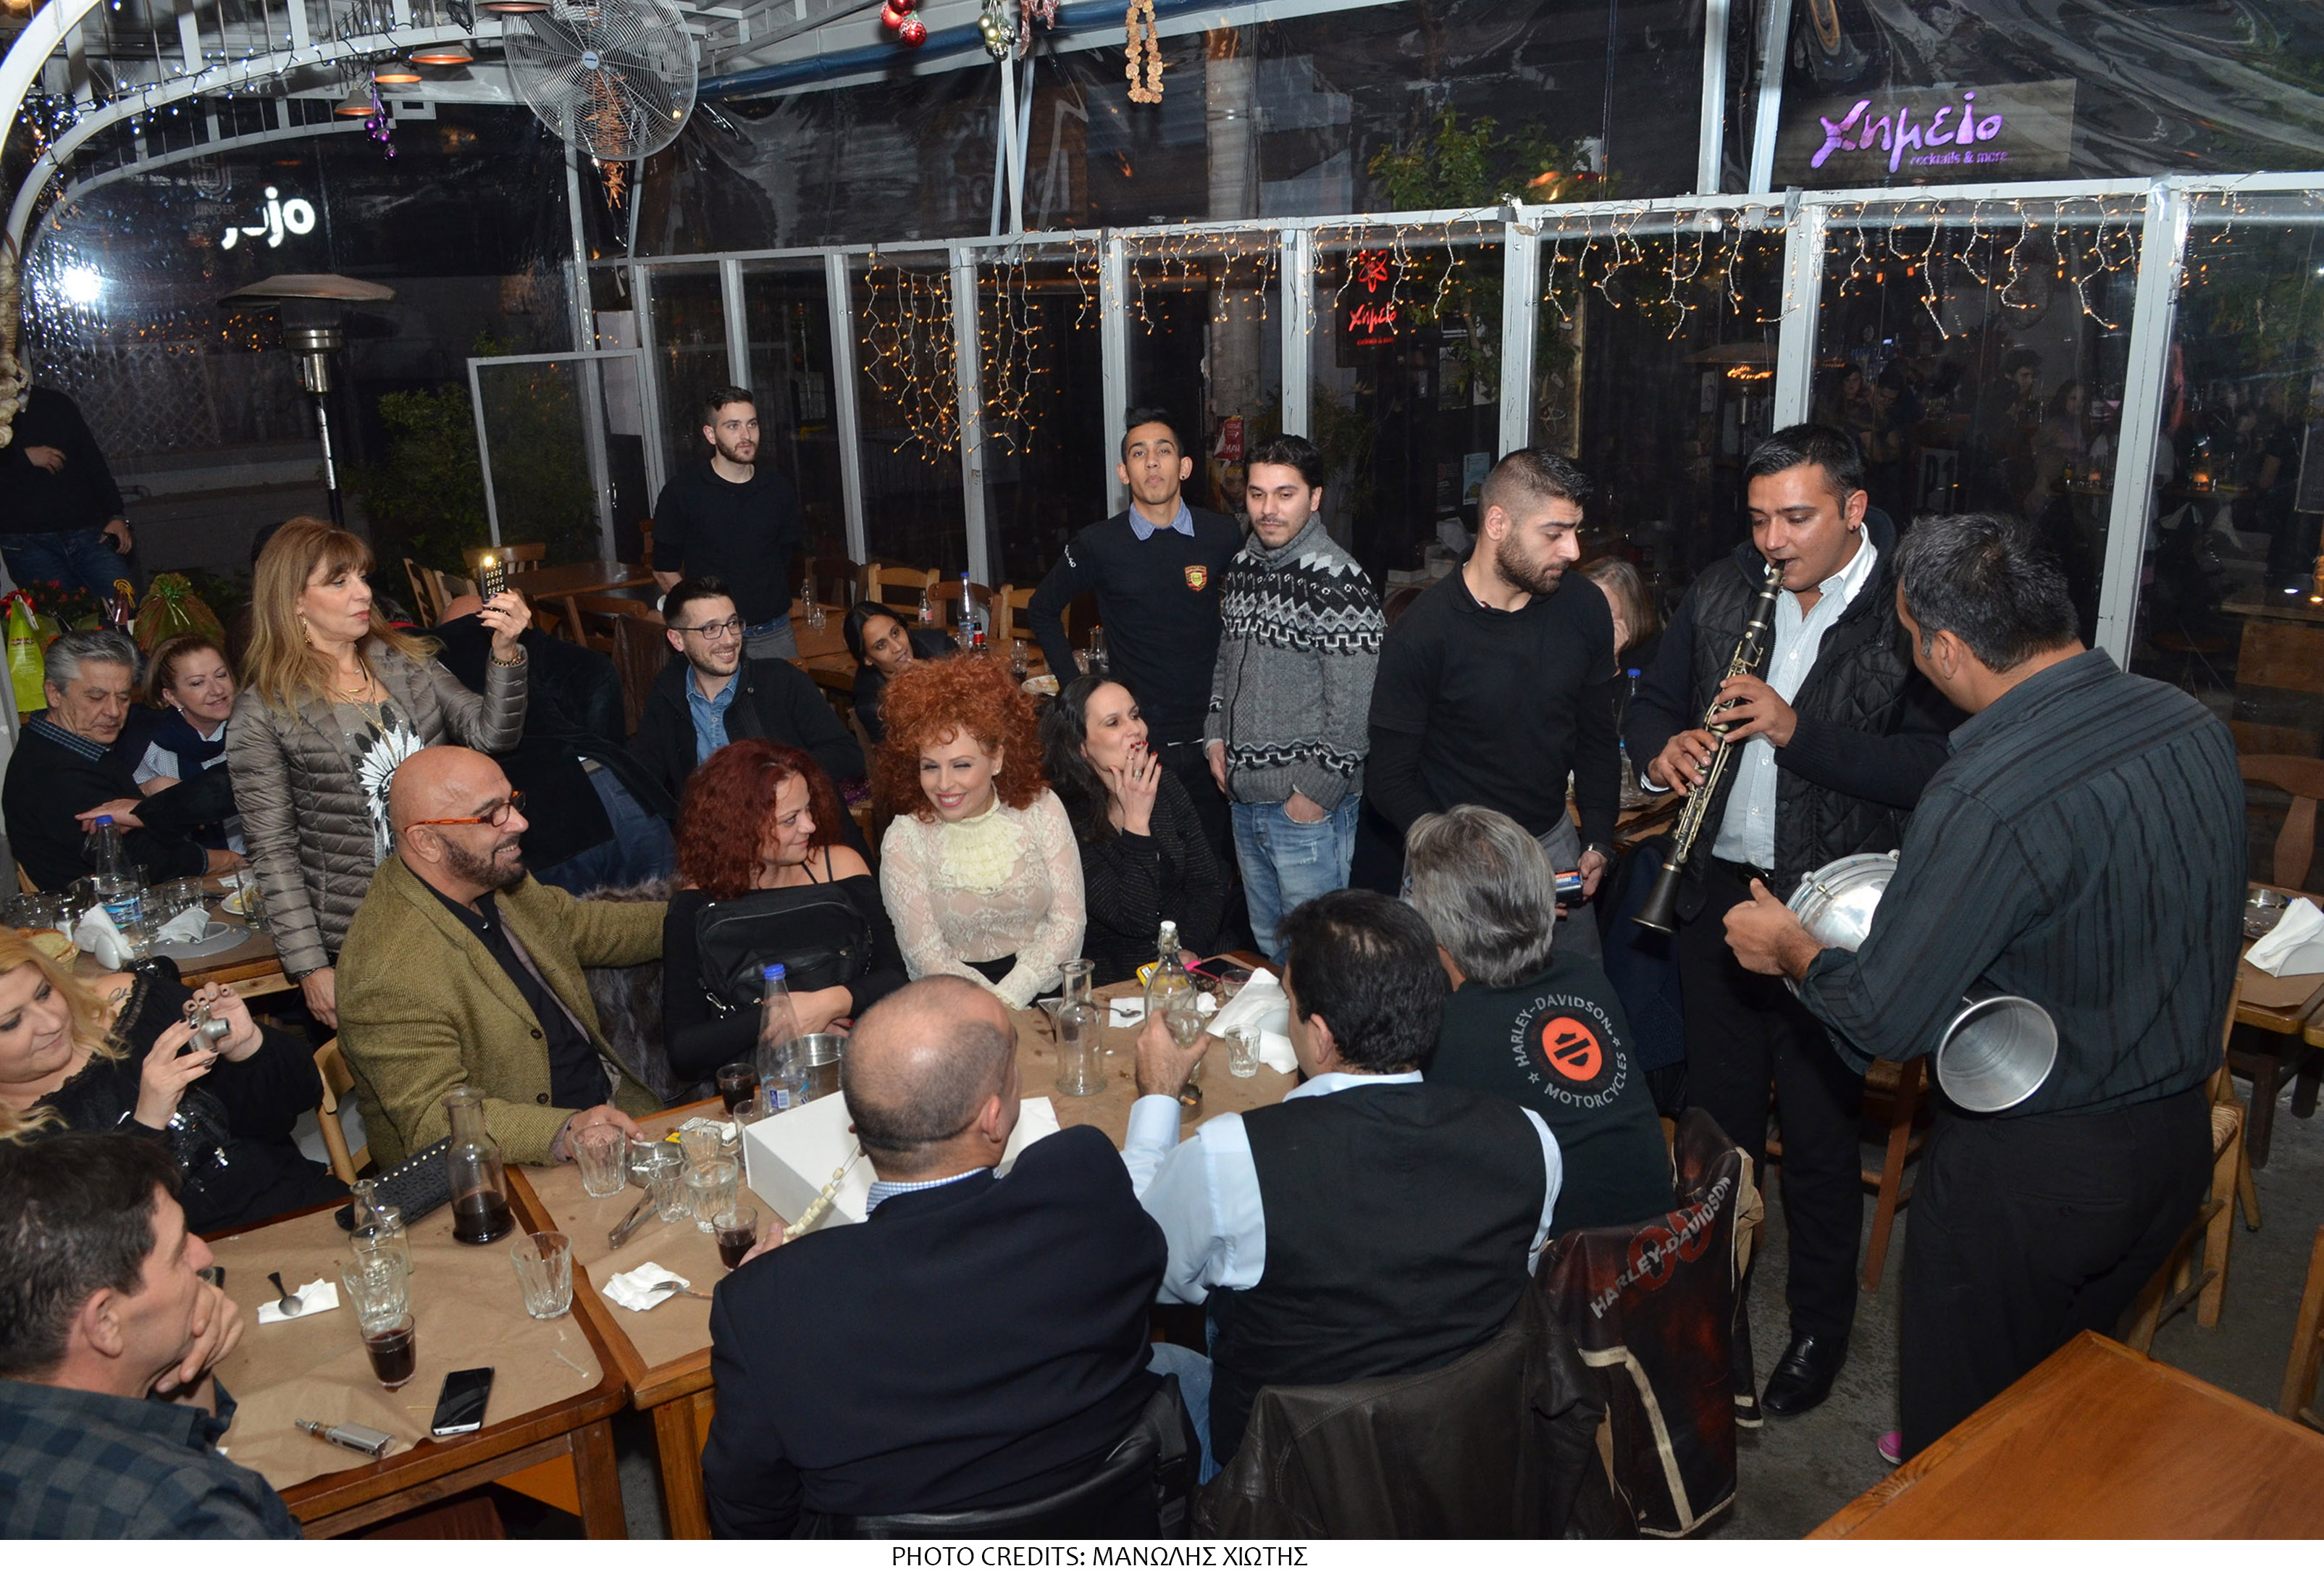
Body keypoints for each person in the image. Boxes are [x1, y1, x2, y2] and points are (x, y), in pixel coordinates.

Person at [1723, 512, 2241, 1462]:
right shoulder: (2187, 721)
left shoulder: (1986, 790)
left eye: (1911, 639)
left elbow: (1886, 1015)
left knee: (1962, 1447)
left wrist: (1792, 949)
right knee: (2059, 1412)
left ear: (1949, 650)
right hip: (2175, 1144)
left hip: (2035, 1175)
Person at [1626, 424, 1957, 1424]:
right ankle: (1710, 1314)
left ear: (1853, 509)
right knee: (1715, 1132)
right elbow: (1649, 702)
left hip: (1831, 910)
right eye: (1759, 518)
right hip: (1718, 897)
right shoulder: (1723, 587)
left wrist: (1793, 729)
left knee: (1816, 1137)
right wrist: (1663, 748)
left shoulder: (1910, 610)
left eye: (1796, 518)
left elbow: (1930, 768)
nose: (1772, 540)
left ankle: (1819, 1328)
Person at [700, 978, 1170, 1535]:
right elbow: (1149, 1266)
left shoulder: (766, 1305)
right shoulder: (1085, 1180)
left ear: (855, 1128)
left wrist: (765, 1293)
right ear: (993, 1118)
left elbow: (749, 1513)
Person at [1125, 889, 1562, 1468]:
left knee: (1142, 1369)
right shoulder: (1530, 1138)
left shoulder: (1232, 1156)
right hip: (1458, 1456)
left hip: (1282, 1480)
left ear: (1322, 1035)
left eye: (1289, 1001)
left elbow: (1139, 1267)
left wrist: (1157, 1097)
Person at [225, 519, 529, 1029]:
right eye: (338, 582)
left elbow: (490, 737)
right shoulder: (264, 711)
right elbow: (272, 849)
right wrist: (309, 967)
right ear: (294, 601)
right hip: (362, 927)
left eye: (362, 577)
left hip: (455, 900)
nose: (363, 592)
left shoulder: (406, 662)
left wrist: (505, 655)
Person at [334, 746, 660, 1167]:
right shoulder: (387, 971)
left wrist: (703, 914)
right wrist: (565, 1132)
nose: (520, 823)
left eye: (513, 802)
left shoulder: (489, 878)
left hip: (607, 1112)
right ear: (427, 842)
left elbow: (587, 928)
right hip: (504, 1169)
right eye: (491, 815)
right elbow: (433, 1119)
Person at [1366, 448, 1618, 961]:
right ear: (1498, 523)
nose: (1572, 550)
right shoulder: (1423, 632)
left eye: (1575, 530)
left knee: (1573, 1000)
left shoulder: (1584, 608)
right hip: (1454, 859)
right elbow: (1388, 779)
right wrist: (1468, 858)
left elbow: (1596, 737)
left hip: (1553, 846)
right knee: (1446, 1008)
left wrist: (1597, 839)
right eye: (1554, 533)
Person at [0, 1132, 295, 1538]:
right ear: (105, 1322)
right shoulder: (185, 1515)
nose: (203, 1256)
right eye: (178, 1253)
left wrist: (189, 1356)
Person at [1404, 805, 1674, 1233]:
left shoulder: (1442, 1033)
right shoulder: (1586, 978)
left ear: (1435, 924)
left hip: (1562, 1265)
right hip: (1665, 1244)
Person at [0, 932, 340, 1232]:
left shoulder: (130, 1005)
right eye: (11, 1023)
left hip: (297, 1208)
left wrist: (249, 1050)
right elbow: (89, 1254)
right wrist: (147, 1124)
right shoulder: (12, 1153)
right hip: (178, 1270)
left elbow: (293, 1101)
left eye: (44, 993)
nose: (51, 1023)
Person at [1028, 409, 1241, 856]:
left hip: (1214, 737)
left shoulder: (1222, 534)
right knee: (1150, 862)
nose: (1152, 462)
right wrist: (1078, 694)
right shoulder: (1098, 543)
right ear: (1124, 472)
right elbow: (1042, 609)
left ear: (1184, 466)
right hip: (1141, 741)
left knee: (1215, 864)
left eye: (1164, 451)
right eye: (1139, 454)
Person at [1202, 435, 1383, 960]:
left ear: (1315, 497)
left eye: (1285, 494)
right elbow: (1225, 662)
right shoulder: (1243, 566)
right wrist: (1214, 736)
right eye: (1257, 494)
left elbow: (1356, 708)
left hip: (1305, 810)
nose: (1268, 509)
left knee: (1320, 960)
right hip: (1244, 800)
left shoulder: (1339, 581)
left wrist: (1312, 796)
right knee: (1270, 948)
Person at [662, 740, 906, 1083]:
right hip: (763, 1084)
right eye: (790, 819)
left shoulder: (840, 867)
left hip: (863, 1060)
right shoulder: (695, 907)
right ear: (741, 828)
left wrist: (829, 1004)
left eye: (808, 809)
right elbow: (684, 1049)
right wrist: (789, 1017)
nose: (810, 826)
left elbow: (897, 975)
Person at [873, 656, 1083, 1012]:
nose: (944, 784)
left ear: (997, 759)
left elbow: (1069, 922)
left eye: (961, 765)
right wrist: (992, 1007)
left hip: (1044, 994)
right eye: (930, 767)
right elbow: (927, 956)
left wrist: (1013, 994)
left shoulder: (1041, 808)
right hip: (953, 1006)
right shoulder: (905, 839)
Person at [432, 595, 675, 895]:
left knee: (572, 924)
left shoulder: (430, 664)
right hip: (616, 789)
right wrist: (594, 745)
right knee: (669, 911)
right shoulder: (528, 646)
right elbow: (599, 674)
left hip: (545, 821)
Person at [4, 631, 239, 891]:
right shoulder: (57, 770)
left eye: (124, 698)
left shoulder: (60, 742)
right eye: (96, 698)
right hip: (108, 906)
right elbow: (141, 859)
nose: (114, 711)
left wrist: (146, 790)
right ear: (54, 693)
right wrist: (226, 860)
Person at [1040, 675, 1225, 985]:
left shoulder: (1164, 785)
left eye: (1135, 715)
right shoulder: (1064, 816)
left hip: (1190, 958)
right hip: (1118, 979)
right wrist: (1137, 822)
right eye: (1113, 723)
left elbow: (1206, 885)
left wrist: (1189, 948)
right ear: (1081, 747)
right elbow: (1134, 921)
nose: (1136, 729)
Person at [632, 576, 863, 811]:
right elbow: (644, 778)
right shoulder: (668, 694)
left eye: (732, 623)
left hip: (794, 826)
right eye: (711, 629)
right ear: (677, 640)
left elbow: (848, 754)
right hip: (711, 830)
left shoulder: (781, 681)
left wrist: (779, 775)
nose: (729, 640)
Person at [651, 386, 804, 661]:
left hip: (774, 633)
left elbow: (785, 557)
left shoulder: (778, 489)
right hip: (711, 637)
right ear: (710, 434)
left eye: (752, 424)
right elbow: (664, 569)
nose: (746, 435)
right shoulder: (682, 493)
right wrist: (702, 619)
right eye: (733, 426)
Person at [0, 386, 135, 606]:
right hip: (27, 543)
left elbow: (93, 462)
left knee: (125, 606)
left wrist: (116, 515)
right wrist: (23, 458)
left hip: (88, 533)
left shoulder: (55, 403)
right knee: (62, 619)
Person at [133, 635, 243, 855]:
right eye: (198, 683)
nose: (217, 690)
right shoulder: (149, 746)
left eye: (221, 675)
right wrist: (147, 790)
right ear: (172, 697)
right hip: (183, 866)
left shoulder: (252, 729)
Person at [842, 600, 952, 746]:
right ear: (867, 659)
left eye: (895, 632)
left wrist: (937, 674)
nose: (898, 647)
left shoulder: (940, 645)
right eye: (881, 645)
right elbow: (911, 752)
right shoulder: (874, 706)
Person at [1579, 557, 1660, 679]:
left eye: (1601, 611)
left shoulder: (1654, 656)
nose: (1588, 618)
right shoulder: (1576, 644)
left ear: (1630, 610)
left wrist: (1611, 662)